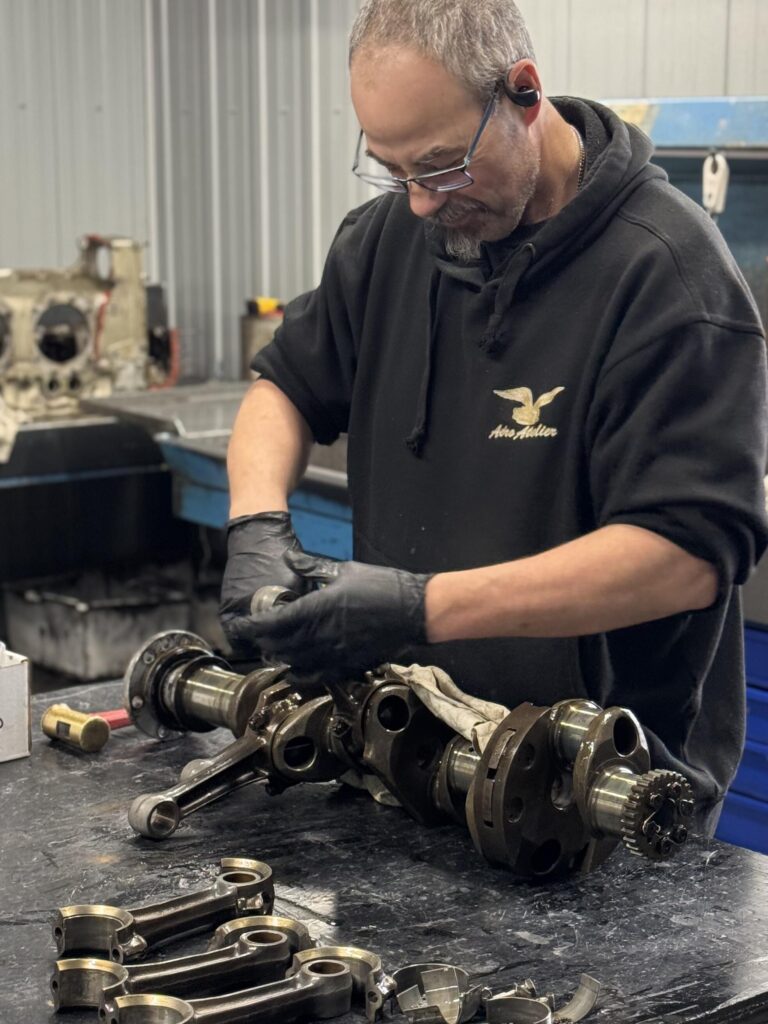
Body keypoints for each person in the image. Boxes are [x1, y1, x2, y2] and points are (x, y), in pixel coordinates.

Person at [220, 0, 768, 834]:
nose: (420, 204)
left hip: (593, 807)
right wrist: (256, 522)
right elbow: (284, 388)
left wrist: (418, 607)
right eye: (392, 169)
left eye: (441, 165)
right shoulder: (386, 243)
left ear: (523, 93)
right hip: (407, 762)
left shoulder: (668, 281)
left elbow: (684, 557)